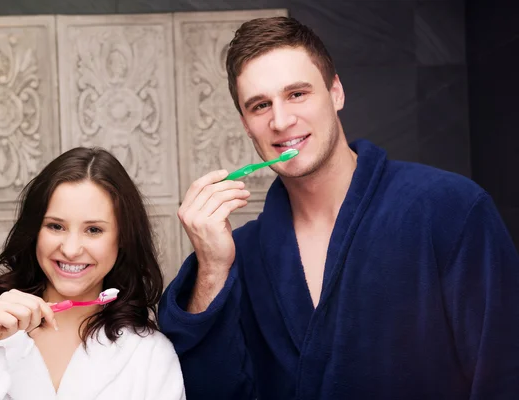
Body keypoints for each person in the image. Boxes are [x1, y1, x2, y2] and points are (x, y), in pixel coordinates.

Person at [158, 16, 519, 400]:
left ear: (336, 93)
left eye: (297, 94)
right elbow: (212, 390)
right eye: (260, 105)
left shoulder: (450, 208)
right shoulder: (239, 256)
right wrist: (212, 268)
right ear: (246, 124)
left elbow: (504, 373)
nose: (281, 121)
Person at [0, 147, 186, 399]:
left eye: (93, 230)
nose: (71, 249)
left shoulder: (150, 355)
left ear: (122, 238)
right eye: (55, 226)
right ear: (34, 231)